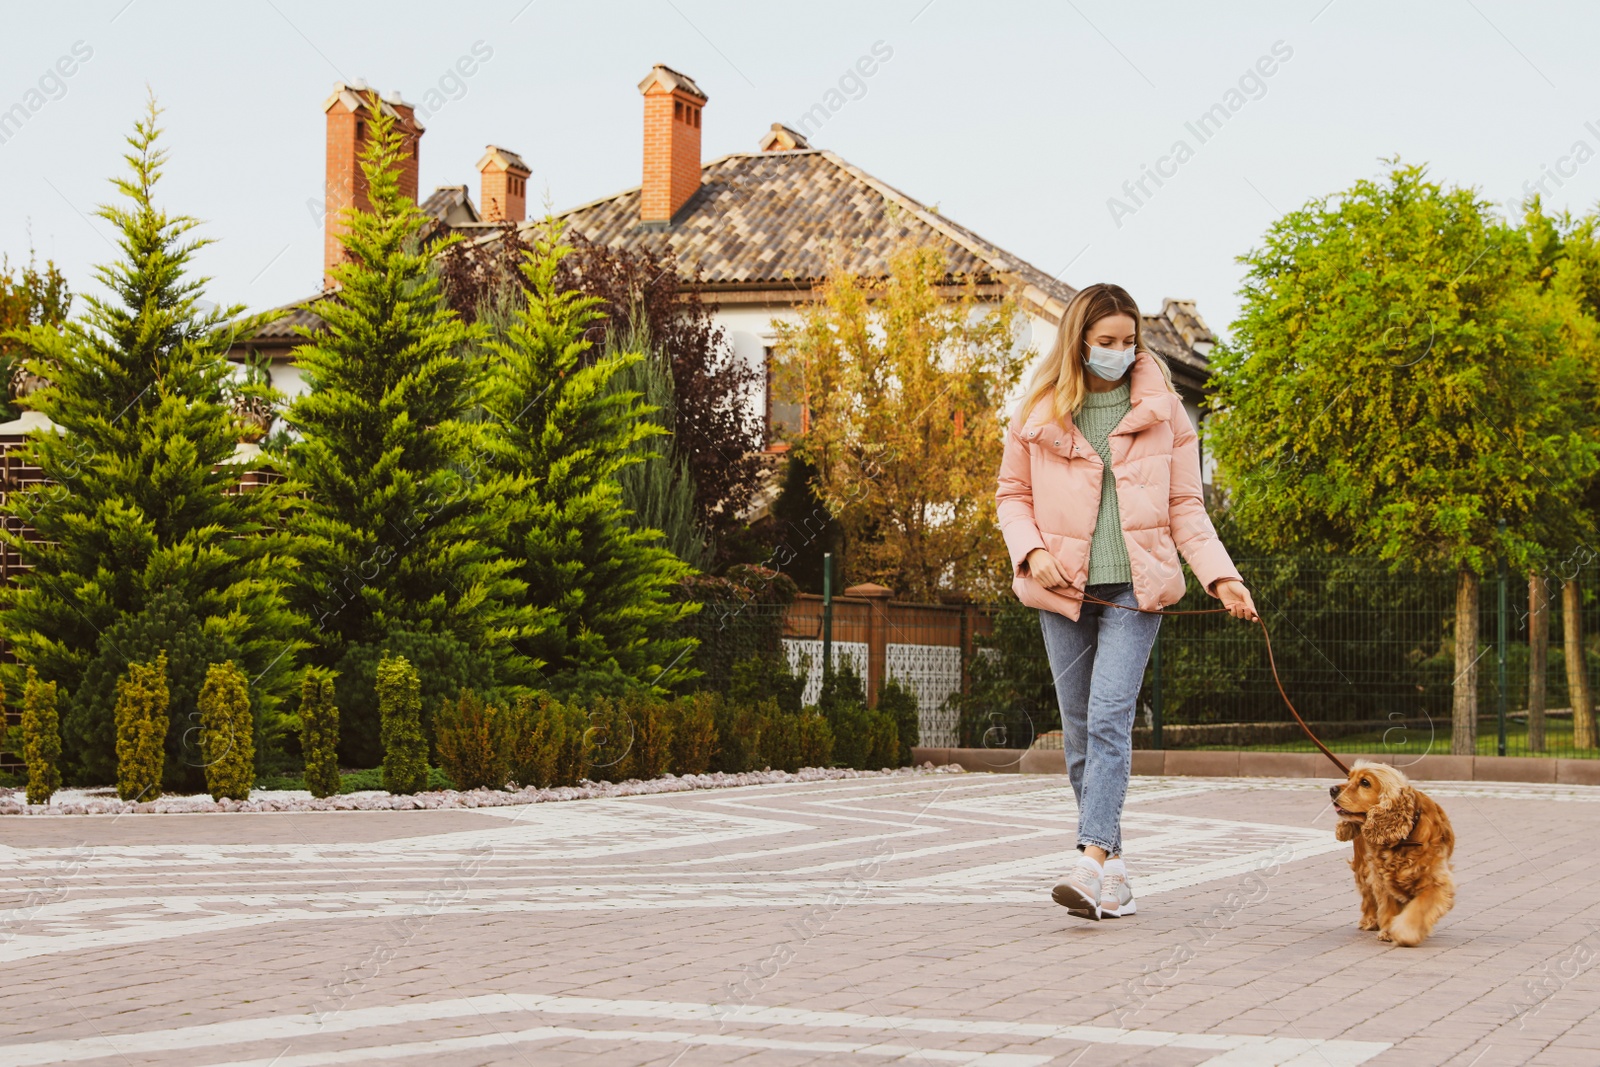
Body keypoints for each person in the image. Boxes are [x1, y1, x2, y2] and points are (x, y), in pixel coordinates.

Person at [995, 283, 1258, 921]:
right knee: (1080, 730)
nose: (1119, 351)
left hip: (1136, 591)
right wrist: (1031, 554)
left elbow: (1185, 507)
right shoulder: (1038, 409)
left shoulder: (1165, 410)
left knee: (1110, 717)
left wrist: (1222, 578)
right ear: (1079, 341)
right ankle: (1115, 869)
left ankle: (1087, 861)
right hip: (1062, 590)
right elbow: (1011, 495)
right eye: (1106, 341)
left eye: (1128, 341)